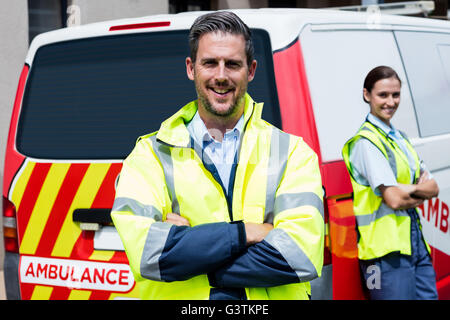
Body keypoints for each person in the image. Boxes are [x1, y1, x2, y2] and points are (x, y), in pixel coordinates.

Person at [111, 11, 324, 300]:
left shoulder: (292, 152)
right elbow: (149, 255)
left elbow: (300, 255)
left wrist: (192, 249)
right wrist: (248, 232)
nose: (221, 76)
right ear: (191, 68)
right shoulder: (149, 154)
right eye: (210, 63)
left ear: (250, 70)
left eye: (233, 64)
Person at [342, 66, 439, 300]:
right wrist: (414, 190)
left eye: (395, 95)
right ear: (367, 95)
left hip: (413, 243)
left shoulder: (400, 138)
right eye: (383, 95)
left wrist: (407, 189)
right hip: (383, 255)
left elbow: (433, 187)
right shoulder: (366, 142)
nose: (391, 102)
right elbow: (394, 199)